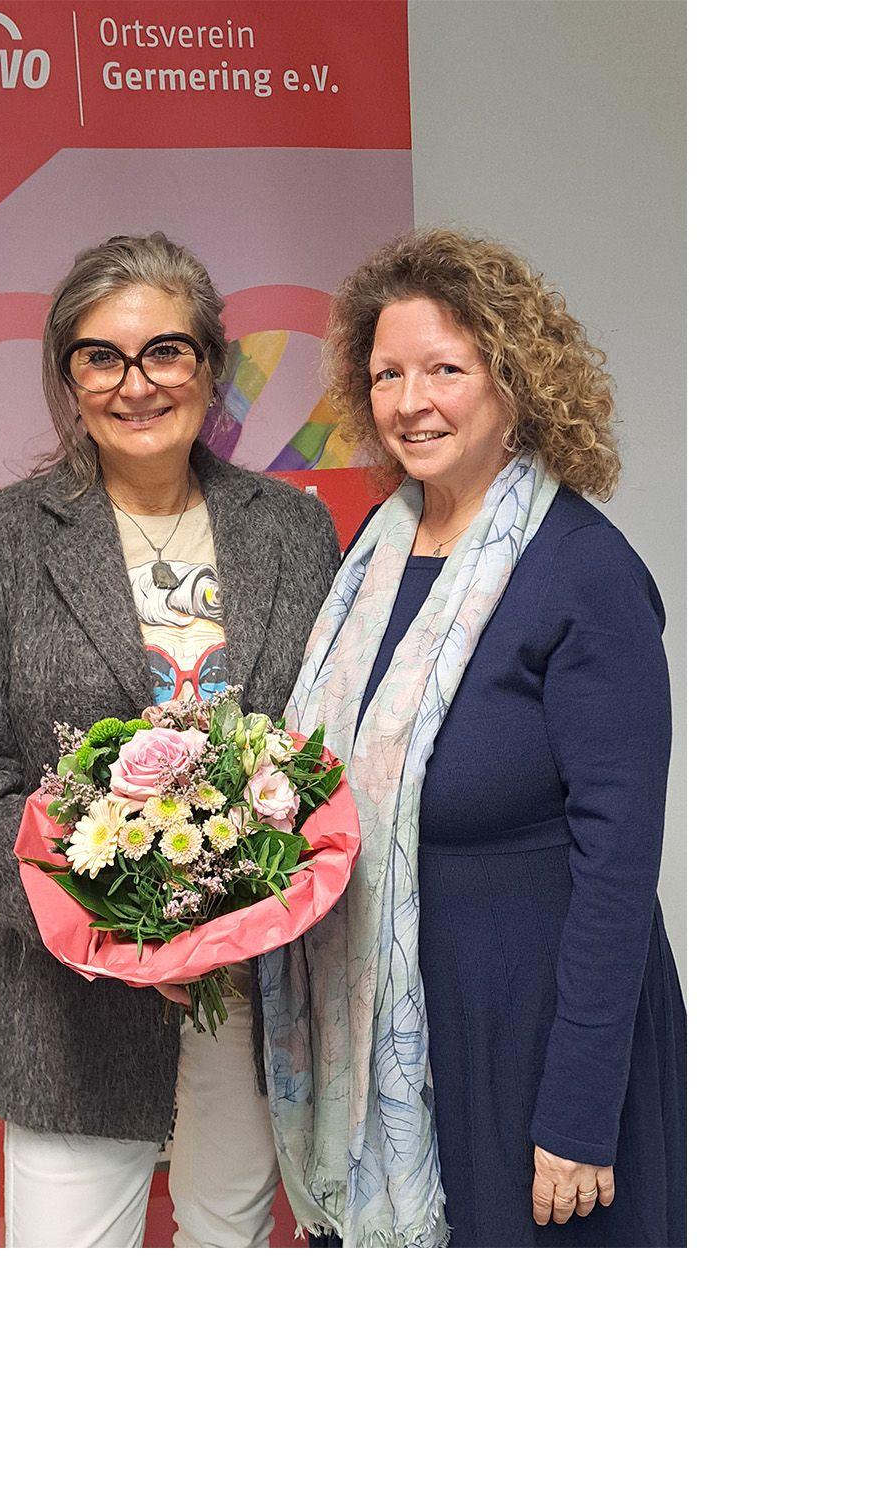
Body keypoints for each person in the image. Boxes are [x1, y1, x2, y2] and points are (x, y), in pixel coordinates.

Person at [0, 233, 340, 1247]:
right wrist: (98, 923)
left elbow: (323, 746)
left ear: (211, 365)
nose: (135, 384)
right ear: (69, 380)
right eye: (100, 357)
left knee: (230, 1245)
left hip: (255, 989)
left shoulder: (292, 530)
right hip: (68, 1009)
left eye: (165, 352)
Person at [261, 228, 686, 1247]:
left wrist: (579, 1110)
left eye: (445, 370)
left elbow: (619, 865)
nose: (411, 402)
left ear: (514, 380)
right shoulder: (373, 556)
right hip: (396, 1034)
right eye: (387, 375)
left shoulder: (584, 571)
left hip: (538, 1044)